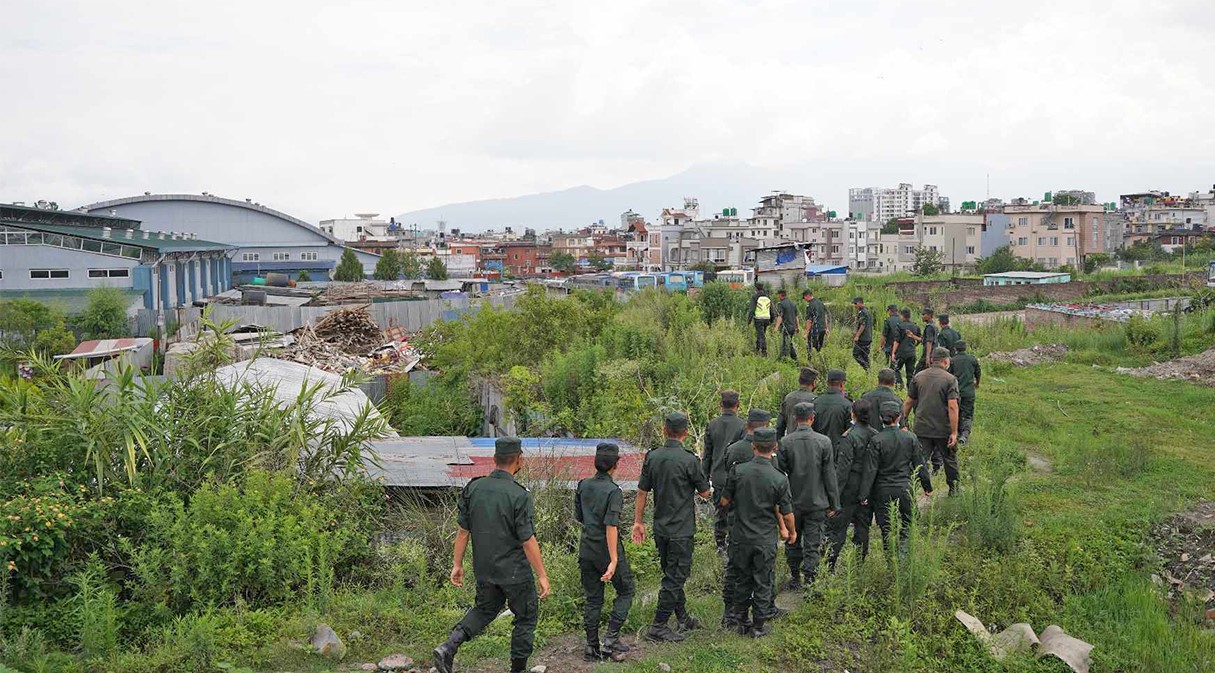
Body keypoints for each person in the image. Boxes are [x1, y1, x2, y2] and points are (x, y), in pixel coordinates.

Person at [434, 438, 551, 673]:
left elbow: (463, 531)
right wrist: (542, 575)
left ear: (494, 459)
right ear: (519, 460)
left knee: (485, 609)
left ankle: (449, 646)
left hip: (485, 569)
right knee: (525, 617)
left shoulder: (474, 488)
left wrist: (457, 564)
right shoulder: (519, 495)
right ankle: (517, 670)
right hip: (515, 572)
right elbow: (527, 540)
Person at [632, 412, 711, 642]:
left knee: (671, 573)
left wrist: (638, 521)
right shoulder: (690, 460)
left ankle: (683, 617)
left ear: (664, 430)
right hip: (681, 529)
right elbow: (705, 493)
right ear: (686, 433)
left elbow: (642, 492)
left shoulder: (652, 457)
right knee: (675, 577)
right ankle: (658, 625)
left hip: (661, 528)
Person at [719, 427, 796, 638]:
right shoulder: (779, 478)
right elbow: (787, 513)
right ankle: (759, 625)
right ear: (775, 448)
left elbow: (724, 501)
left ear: (753, 446)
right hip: (764, 539)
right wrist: (792, 531)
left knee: (742, 578)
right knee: (763, 580)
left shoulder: (738, 471)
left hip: (740, 536)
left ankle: (741, 620)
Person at [575, 442, 636, 661]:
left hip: (586, 548)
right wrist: (613, 560)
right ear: (616, 464)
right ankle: (611, 640)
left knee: (593, 599)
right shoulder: (613, 491)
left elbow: (580, 517)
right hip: (606, 549)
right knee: (626, 590)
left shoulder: (583, 485)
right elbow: (611, 526)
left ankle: (591, 647)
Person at [718, 409, 772, 627]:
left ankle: (730, 612)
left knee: (735, 568)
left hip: (736, 518)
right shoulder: (768, 454)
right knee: (762, 571)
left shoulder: (733, 450)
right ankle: (762, 613)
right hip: (762, 521)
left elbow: (726, 483)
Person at [776, 402, 838, 589]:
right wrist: (834, 503)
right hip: (817, 501)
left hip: (793, 501)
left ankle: (795, 578)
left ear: (795, 418)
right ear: (812, 418)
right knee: (813, 543)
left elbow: (780, 474)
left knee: (793, 541)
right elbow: (829, 475)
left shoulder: (785, 443)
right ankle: (811, 581)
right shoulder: (824, 442)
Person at [859, 402, 933, 555]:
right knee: (910, 520)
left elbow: (870, 470)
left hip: (882, 490)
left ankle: (891, 559)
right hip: (904, 487)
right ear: (899, 417)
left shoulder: (876, 440)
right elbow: (920, 464)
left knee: (886, 527)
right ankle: (904, 552)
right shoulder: (910, 438)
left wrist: (864, 494)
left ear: (880, 418)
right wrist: (927, 486)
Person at [904, 347, 961, 495]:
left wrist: (902, 422)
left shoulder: (919, 377)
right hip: (943, 428)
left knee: (919, 460)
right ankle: (953, 490)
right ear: (945, 361)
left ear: (931, 360)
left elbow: (909, 402)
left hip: (922, 427)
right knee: (949, 459)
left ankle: (910, 490)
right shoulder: (950, 379)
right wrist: (954, 432)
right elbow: (953, 407)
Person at [827, 400, 876, 567]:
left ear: (853, 414)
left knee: (838, 529)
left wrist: (835, 498)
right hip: (867, 487)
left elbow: (842, 470)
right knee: (862, 526)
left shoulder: (849, 437)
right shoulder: (874, 435)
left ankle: (830, 564)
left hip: (849, 487)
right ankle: (859, 563)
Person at [703, 390, 747, 553]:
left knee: (720, 512)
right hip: (736, 476)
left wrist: (704, 479)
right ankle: (734, 543)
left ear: (721, 405)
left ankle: (720, 544)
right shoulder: (742, 425)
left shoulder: (712, 424)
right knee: (736, 512)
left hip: (718, 477)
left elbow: (707, 455)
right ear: (738, 405)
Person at [947, 341, 981, 445]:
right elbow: (978, 372)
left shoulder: (952, 360)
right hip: (968, 392)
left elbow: (948, 376)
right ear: (965, 348)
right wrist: (977, 383)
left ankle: (955, 434)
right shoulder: (972, 359)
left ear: (955, 349)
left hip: (955, 393)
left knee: (956, 412)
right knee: (967, 415)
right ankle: (964, 435)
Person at [812, 369, 852, 449]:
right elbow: (849, 432)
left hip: (818, 449)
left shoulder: (815, 402)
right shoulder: (847, 405)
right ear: (842, 384)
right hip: (838, 451)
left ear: (827, 383)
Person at [776, 367, 818, 437]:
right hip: (809, 442)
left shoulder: (788, 398)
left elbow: (780, 426)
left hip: (790, 441)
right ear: (813, 383)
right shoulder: (815, 400)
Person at [891, 308, 920, 389]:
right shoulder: (915, 326)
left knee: (895, 369)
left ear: (902, 316)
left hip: (901, 352)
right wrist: (914, 346)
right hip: (911, 353)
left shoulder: (900, 326)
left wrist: (893, 353)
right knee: (910, 373)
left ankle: (899, 384)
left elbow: (897, 341)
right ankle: (910, 390)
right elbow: (919, 339)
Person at [747, 284, 775, 356]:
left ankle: (764, 351)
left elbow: (752, 310)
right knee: (761, 334)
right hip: (767, 319)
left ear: (756, 289)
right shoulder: (767, 297)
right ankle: (757, 348)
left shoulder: (755, 297)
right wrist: (772, 320)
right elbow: (771, 310)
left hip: (758, 319)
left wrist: (749, 321)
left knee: (760, 334)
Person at [774, 289, 800, 361]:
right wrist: (797, 327)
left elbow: (780, 317)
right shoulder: (793, 304)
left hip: (786, 327)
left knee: (785, 343)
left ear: (780, 295)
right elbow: (796, 317)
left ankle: (782, 359)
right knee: (789, 342)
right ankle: (794, 358)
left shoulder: (781, 304)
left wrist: (776, 327)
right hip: (793, 327)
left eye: (778, 295)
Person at [802, 289, 829, 358]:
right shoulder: (820, 303)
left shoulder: (810, 305)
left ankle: (810, 362)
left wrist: (806, 333)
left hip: (814, 330)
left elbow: (809, 321)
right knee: (819, 348)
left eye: (804, 297)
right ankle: (820, 360)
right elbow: (825, 315)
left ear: (807, 296)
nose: (805, 300)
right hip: (822, 329)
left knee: (810, 347)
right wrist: (826, 328)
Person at [879, 304, 902, 380]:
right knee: (896, 364)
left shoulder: (888, 321)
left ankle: (891, 379)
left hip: (889, 346)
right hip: (900, 346)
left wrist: (880, 346)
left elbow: (884, 335)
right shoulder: (902, 320)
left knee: (889, 364)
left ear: (890, 311)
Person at [851, 297, 874, 371]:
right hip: (868, 338)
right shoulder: (866, 311)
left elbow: (863, 325)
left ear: (860, 303)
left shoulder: (863, 312)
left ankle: (866, 367)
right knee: (865, 356)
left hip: (863, 338)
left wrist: (857, 336)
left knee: (856, 354)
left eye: (855, 303)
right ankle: (868, 372)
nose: (854, 305)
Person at [915, 308, 939, 372]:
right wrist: (912, 336)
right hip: (933, 353)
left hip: (928, 354)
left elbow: (929, 342)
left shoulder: (929, 327)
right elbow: (924, 340)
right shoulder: (934, 326)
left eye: (923, 314)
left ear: (929, 315)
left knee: (917, 372)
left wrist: (927, 357)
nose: (922, 316)